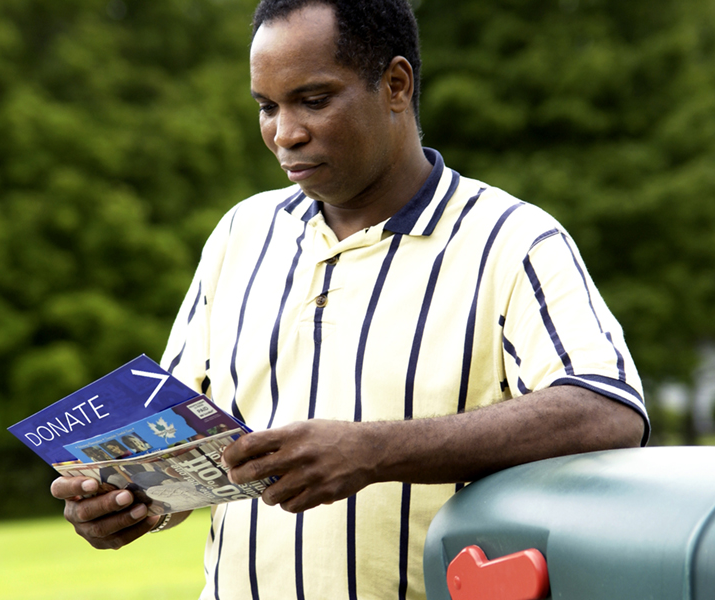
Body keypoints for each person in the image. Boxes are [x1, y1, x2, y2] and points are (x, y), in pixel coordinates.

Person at [50, 1, 649, 598]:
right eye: (267, 106)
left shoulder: (510, 239)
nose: (285, 133)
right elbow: (179, 438)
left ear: (395, 85)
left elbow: (606, 410)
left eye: (313, 100)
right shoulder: (241, 233)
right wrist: (127, 500)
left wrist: (374, 450)